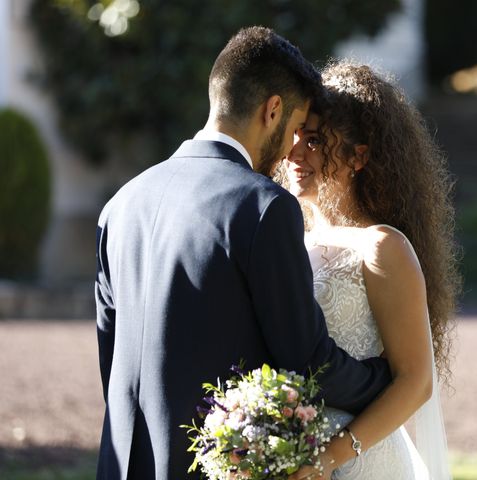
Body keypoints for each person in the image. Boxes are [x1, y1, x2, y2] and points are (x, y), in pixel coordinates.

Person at [94, 28, 392, 480]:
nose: (294, 148)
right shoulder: (263, 206)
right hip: (214, 466)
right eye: (295, 129)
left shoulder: (120, 205)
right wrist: (387, 378)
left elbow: (111, 353)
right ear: (272, 110)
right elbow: (308, 360)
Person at [281, 61, 460, 479]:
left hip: (362, 463)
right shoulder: (288, 242)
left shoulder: (382, 246)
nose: (293, 154)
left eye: (314, 141)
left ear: (357, 156)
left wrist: (326, 460)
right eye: (294, 138)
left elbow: (416, 381)